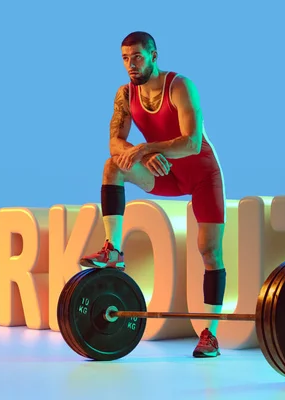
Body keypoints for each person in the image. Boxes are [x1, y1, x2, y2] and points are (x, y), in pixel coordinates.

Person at [79, 31, 227, 358]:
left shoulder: (180, 86)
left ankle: (210, 334)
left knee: (209, 252)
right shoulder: (124, 94)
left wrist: (147, 147)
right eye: (125, 58)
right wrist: (143, 154)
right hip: (165, 173)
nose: (131, 65)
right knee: (112, 166)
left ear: (154, 56)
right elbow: (115, 143)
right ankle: (113, 249)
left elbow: (191, 142)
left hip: (202, 176)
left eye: (137, 57)